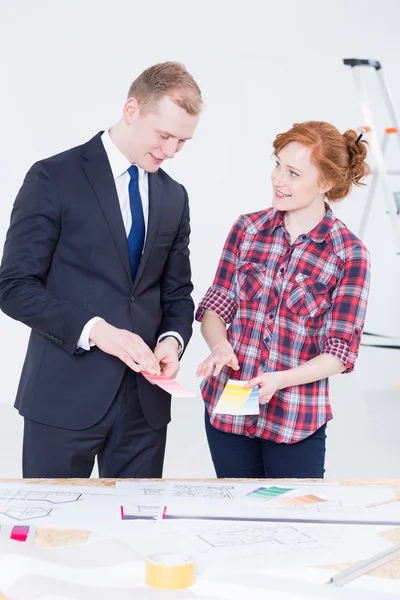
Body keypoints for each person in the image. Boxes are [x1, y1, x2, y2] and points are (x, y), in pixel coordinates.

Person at [0, 61, 202, 478]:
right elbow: (13, 286)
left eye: (182, 142)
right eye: (164, 136)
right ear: (132, 110)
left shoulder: (174, 196)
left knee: (137, 535)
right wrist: (97, 331)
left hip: (144, 408)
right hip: (61, 398)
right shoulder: (53, 177)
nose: (170, 152)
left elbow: (177, 292)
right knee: (52, 536)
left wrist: (171, 341)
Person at [196, 121, 370, 479]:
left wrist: (281, 379)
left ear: (325, 183)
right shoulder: (247, 229)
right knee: (236, 519)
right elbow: (216, 306)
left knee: (294, 525)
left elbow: (339, 353)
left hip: (295, 418)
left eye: (293, 173)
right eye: (277, 165)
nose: (278, 180)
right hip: (229, 411)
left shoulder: (349, 254)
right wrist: (220, 346)